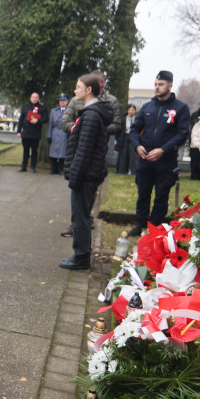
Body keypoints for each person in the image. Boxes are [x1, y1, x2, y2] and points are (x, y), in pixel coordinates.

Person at [60, 74, 114, 270]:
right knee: (80, 215)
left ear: (88, 90)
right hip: (88, 174)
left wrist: (74, 177)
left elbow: (84, 151)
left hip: (85, 176)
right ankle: (81, 254)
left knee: (80, 217)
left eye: (78, 87)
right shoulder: (90, 113)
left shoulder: (91, 115)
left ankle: (81, 257)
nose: (75, 91)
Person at [129, 70, 191, 236]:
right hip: (145, 159)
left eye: (161, 84)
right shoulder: (148, 107)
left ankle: (153, 226)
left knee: (161, 196)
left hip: (166, 161)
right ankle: (140, 224)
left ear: (170, 85)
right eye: (155, 84)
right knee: (143, 193)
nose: (157, 87)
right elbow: (135, 129)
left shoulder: (181, 108)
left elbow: (183, 134)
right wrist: (137, 146)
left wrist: (163, 150)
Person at [17, 92, 48, 172]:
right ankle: (24, 166)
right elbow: (21, 119)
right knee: (25, 150)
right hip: (26, 133)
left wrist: (37, 120)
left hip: (36, 133)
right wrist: (19, 131)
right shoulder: (25, 107)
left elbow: (46, 119)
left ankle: (33, 167)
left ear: (38, 99)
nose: (34, 99)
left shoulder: (42, 108)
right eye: (33, 97)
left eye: (36, 97)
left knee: (34, 151)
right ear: (30, 98)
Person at [48, 94, 69, 174]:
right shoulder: (53, 111)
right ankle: (53, 169)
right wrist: (49, 135)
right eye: (61, 101)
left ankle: (60, 169)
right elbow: (50, 124)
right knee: (53, 152)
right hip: (54, 133)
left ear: (67, 101)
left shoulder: (69, 111)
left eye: (64, 101)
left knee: (62, 153)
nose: (62, 102)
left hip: (64, 133)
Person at [115, 103, 138, 175]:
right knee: (123, 155)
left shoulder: (137, 119)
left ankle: (134, 172)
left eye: (133, 110)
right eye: (130, 110)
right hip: (124, 137)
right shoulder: (123, 118)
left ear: (135, 111)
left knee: (133, 155)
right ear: (127, 110)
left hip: (133, 138)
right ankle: (121, 171)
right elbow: (118, 130)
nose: (131, 111)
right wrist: (117, 140)